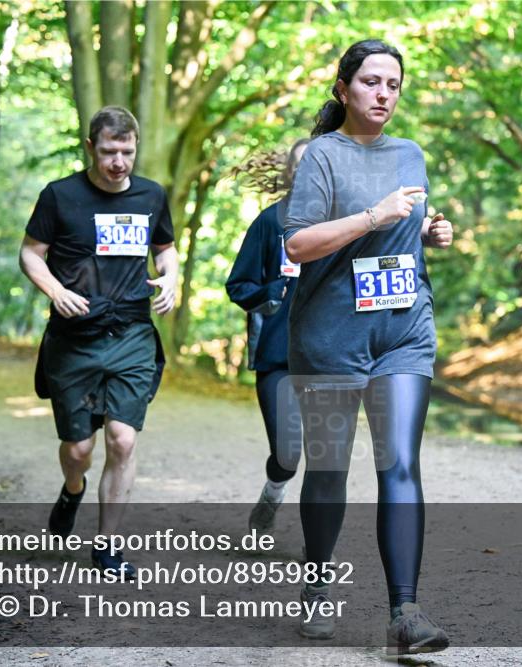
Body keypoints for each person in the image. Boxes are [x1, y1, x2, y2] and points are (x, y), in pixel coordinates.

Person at [282, 40, 453, 654]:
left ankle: (405, 613)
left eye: (394, 85)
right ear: (344, 88)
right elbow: (298, 245)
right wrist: (373, 216)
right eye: (372, 82)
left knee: (400, 464)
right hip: (331, 338)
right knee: (329, 471)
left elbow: (404, 234)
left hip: (403, 333)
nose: (384, 94)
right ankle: (318, 587)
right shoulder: (323, 157)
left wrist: (430, 232)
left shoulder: (411, 154)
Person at [19, 106, 178, 578]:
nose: (119, 162)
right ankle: (73, 489)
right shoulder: (60, 196)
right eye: (109, 151)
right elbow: (31, 253)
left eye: (127, 151)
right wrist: (55, 290)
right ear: (90, 147)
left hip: (131, 332)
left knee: (123, 440)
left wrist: (172, 280)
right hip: (73, 338)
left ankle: (109, 548)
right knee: (79, 449)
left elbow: (165, 250)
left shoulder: (152, 195)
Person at [226, 139, 310, 535]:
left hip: (331, 357)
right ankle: (273, 493)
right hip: (277, 356)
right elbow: (238, 285)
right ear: (288, 173)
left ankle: (319, 544)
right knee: (288, 453)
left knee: (329, 457)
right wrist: (269, 292)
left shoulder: (348, 224)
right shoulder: (270, 222)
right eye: (301, 164)